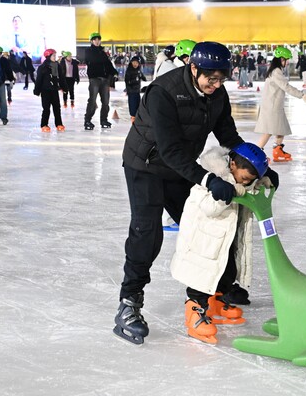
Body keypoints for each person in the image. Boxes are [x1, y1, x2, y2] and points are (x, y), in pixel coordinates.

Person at [113, 41, 278, 345]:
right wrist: (207, 178)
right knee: (146, 233)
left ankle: (214, 291)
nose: (215, 85)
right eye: (210, 79)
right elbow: (170, 149)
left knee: (211, 225)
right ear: (193, 68)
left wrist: (256, 167)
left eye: (221, 79)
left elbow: (228, 135)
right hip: (145, 166)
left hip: (180, 167)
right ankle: (129, 304)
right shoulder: (163, 92)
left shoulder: (217, 96)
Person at [169, 142, 268, 344]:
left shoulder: (242, 179)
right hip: (203, 241)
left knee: (227, 271)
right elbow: (209, 208)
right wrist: (224, 196)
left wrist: (263, 182)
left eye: (251, 180)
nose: (246, 182)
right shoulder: (209, 175)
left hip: (226, 239)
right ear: (232, 164)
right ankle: (194, 312)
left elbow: (248, 190)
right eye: (245, 178)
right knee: (201, 277)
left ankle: (216, 302)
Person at [254, 46, 306, 162]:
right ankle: (256, 155)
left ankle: (277, 150)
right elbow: (286, 87)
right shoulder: (276, 72)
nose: (287, 62)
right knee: (269, 131)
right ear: (281, 59)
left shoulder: (275, 71)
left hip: (275, 105)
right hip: (272, 107)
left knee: (281, 128)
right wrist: (302, 95)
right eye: (286, 59)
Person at [83, 32, 117, 130]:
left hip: (104, 80)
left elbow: (108, 64)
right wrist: (102, 55)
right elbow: (92, 60)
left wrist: (114, 72)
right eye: (95, 40)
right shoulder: (89, 51)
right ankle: (88, 120)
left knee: (105, 102)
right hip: (94, 79)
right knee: (92, 101)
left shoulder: (102, 52)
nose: (97, 41)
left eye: (98, 40)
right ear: (92, 41)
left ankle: (104, 120)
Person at [34, 49, 64, 132]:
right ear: (48, 56)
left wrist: (64, 87)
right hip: (45, 90)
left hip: (54, 90)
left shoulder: (57, 66)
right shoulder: (42, 67)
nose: (55, 57)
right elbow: (39, 80)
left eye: (55, 55)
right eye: (53, 55)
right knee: (46, 108)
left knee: (57, 108)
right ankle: (44, 124)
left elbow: (61, 78)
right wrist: (37, 90)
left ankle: (59, 124)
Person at [123, 54, 146, 122]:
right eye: (134, 63)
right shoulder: (129, 70)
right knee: (132, 104)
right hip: (131, 91)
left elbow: (142, 77)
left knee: (138, 103)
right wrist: (129, 88)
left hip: (137, 90)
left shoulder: (139, 70)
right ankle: (133, 116)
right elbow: (127, 81)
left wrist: (142, 77)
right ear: (131, 63)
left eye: (136, 63)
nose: (135, 64)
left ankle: (137, 115)